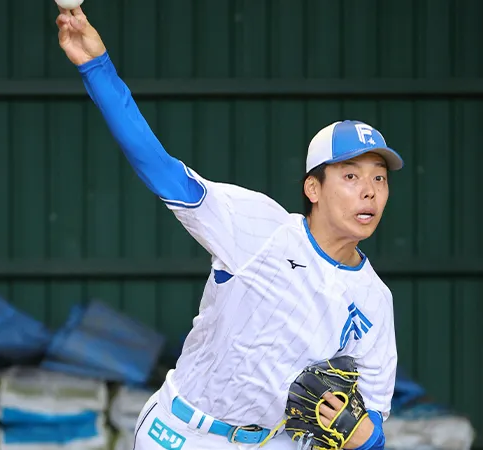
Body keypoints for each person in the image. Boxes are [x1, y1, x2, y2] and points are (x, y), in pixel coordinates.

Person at [56, 7, 402, 450]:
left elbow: (374, 416)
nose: (369, 191)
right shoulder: (259, 227)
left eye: (379, 179)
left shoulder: (375, 300)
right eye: (351, 176)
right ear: (313, 188)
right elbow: (160, 168)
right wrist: (96, 67)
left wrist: (365, 437)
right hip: (183, 433)